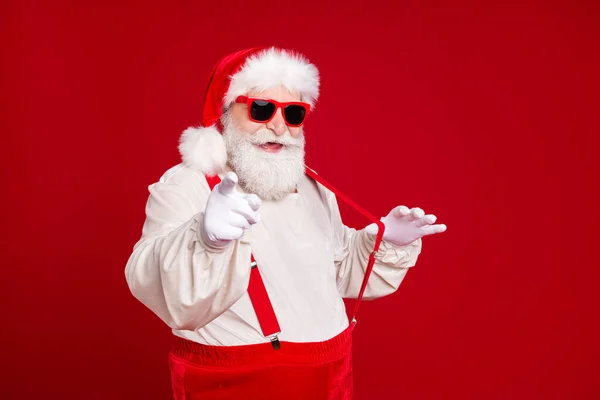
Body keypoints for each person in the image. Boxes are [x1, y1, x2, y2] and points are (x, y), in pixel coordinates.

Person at [125, 46, 447, 399]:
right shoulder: (187, 184)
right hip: (238, 384)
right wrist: (204, 237)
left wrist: (384, 243)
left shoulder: (312, 186)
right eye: (261, 109)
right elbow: (152, 280)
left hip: (333, 375)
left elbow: (336, 270)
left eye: (293, 113)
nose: (279, 125)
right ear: (225, 113)